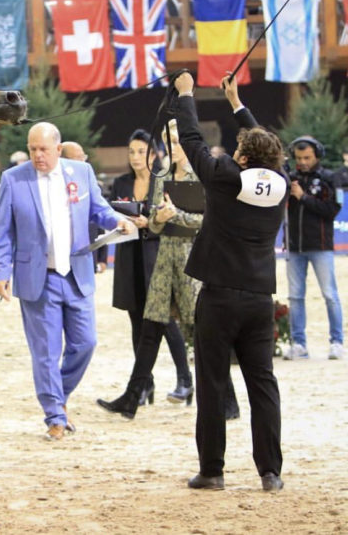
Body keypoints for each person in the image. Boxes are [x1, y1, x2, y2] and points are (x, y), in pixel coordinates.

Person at [174, 72, 288, 492]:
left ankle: (212, 471)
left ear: (242, 157)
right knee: (263, 385)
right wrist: (237, 103)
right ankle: (270, 473)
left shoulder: (227, 177)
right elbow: (267, 146)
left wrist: (186, 96)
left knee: (212, 382)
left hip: (220, 297)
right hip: (260, 298)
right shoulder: (281, 182)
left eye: (241, 148)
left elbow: (192, 142)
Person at [0, 122, 132, 441]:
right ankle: (55, 415)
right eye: (32, 149)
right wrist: (1, 271)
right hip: (37, 279)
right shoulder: (13, 180)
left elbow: (99, 211)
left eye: (43, 149)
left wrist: (118, 221)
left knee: (86, 343)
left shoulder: (81, 173)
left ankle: (59, 393)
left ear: (59, 148)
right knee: (46, 352)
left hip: (77, 275)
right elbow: (3, 232)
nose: (37, 155)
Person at [97, 119, 240, 420]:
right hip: (163, 262)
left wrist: (177, 214)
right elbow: (158, 223)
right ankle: (132, 397)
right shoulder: (161, 176)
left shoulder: (203, 174)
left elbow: (210, 221)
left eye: (176, 142)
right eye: (168, 143)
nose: (171, 148)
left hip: (191, 264)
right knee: (149, 331)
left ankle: (229, 401)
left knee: (204, 335)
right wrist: (154, 220)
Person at [109, 129, 192, 405]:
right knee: (136, 322)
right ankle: (145, 384)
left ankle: (185, 380)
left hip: (158, 258)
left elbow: (178, 221)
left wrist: (150, 224)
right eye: (131, 151)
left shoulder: (165, 182)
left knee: (165, 322)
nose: (135, 157)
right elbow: (111, 215)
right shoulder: (121, 183)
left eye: (141, 151)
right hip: (129, 258)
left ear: (154, 154)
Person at [283, 136, 343, 360]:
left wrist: (303, 197)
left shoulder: (329, 178)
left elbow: (332, 210)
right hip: (294, 247)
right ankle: (299, 343)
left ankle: (337, 342)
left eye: (307, 157)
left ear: (317, 155)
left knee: (330, 295)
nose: (303, 162)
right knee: (295, 297)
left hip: (320, 246)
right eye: (299, 158)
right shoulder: (290, 178)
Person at [60, 141, 108, 274]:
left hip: (88, 256)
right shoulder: (53, 186)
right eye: (78, 158)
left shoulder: (91, 184)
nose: (84, 162)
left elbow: (100, 219)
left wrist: (102, 258)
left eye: (84, 157)